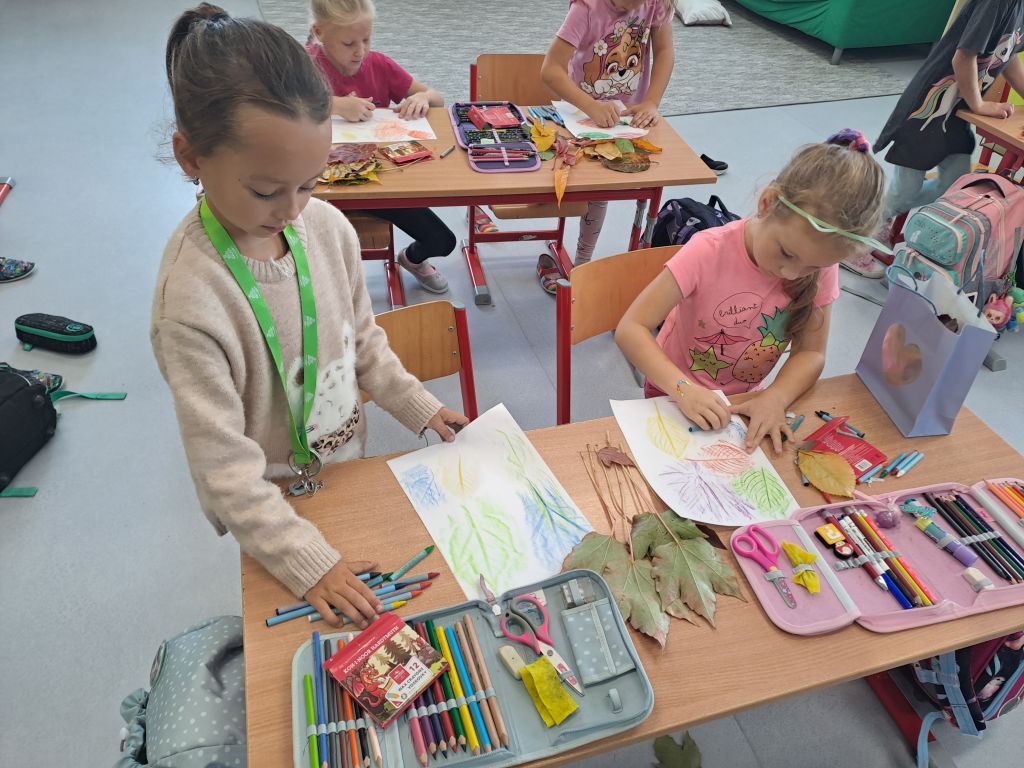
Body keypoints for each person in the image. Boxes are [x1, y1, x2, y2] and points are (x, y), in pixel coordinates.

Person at [153, 3, 468, 627]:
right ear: (191, 158)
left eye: (310, 183)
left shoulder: (326, 228)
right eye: (266, 191)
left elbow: (363, 343)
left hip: (345, 467)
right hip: (271, 503)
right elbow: (223, 470)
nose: (293, 211)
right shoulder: (190, 302)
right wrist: (306, 561)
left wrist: (421, 407)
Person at [615, 130, 887, 454]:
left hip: (746, 402)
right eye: (786, 253)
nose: (791, 274)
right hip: (674, 394)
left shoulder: (820, 264)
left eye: (813, 267)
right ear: (767, 203)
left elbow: (811, 353)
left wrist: (776, 397)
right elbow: (631, 328)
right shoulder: (708, 251)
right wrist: (683, 389)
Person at [307, 0, 456, 294]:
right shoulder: (303, 65)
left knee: (443, 241)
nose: (360, 51)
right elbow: (278, 108)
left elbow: (436, 97)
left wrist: (423, 97)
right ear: (320, 33)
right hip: (319, 188)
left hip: (378, 182)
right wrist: (335, 104)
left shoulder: (379, 64)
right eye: (349, 43)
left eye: (366, 39)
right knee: (318, 257)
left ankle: (411, 260)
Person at [868, 0, 1024, 278]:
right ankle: (861, 233)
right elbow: (962, 57)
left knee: (954, 187)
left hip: (955, 114)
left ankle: (887, 216)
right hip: (927, 109)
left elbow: (1008, 54)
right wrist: (978, 104)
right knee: (906, 190)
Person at [535, 0, 676, 294]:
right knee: (582, 187)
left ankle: (582, 266)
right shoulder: (586, 8)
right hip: (578, 115)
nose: (632, 7)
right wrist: (591, 106)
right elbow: (550, 70)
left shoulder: (656, 3)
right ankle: (580, 266)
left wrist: (651, 101)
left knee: (603, 192)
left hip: (622, 121)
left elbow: (664, 51)